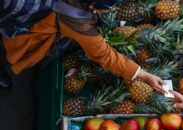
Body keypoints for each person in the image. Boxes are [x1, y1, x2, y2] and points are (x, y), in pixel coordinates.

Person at [0, 0, 165, 93]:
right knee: (13, 52)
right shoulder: (77, 20)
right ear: (93, 6)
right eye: (105, 9)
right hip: (26, 28)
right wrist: (143, 75)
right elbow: (104, 54)